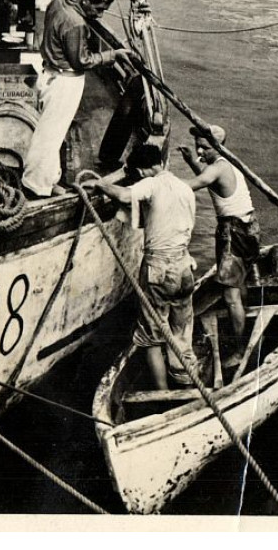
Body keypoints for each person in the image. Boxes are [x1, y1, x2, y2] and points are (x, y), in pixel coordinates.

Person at [86, 142, 197, 390]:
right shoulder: (185, 188)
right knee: (181, 330)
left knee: (151, 335)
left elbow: (125, 195)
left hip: (159, 267)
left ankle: (163, 393)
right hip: (184, 265)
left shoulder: (151, 182)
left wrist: (102, 184)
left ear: (145, 169)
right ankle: (186, 381)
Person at [21, 0, 133, 199]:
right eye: (99, 9)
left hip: (50, 74)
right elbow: (81, 61)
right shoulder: (77, 23)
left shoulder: (60, 1)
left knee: (51, 132)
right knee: (51, 136)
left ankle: (49, 179)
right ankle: (35, 185)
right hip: (65, 82)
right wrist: (112, 55)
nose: (100, 15)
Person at [178, 124, 260, 369]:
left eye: (204, 148)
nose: (200, 151)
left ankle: (240, 349)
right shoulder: (226, 164)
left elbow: (195, 184)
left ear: (218, 147)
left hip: (233, 231)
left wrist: (159, 181)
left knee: (230, 295)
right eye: (197, 146)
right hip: (249, 225)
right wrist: (192, 161)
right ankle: (244, 323)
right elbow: (209, 180)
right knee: (240, 281)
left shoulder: (218, 168)